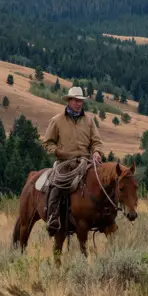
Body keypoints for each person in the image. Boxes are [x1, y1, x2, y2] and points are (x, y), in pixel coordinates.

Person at [41, 86, 105, 231]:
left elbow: (97, 141)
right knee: (56, 185)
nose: (78, 103)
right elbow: (47, 142)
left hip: (86, 161)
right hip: (65, 162)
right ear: (69, 101)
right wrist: (57, 151)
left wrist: (97, 152)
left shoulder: (89, 121)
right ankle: (53, 218)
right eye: (75, 100)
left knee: (104, 182)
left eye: (80, 101)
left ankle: (104, 216)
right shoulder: (57, 120)